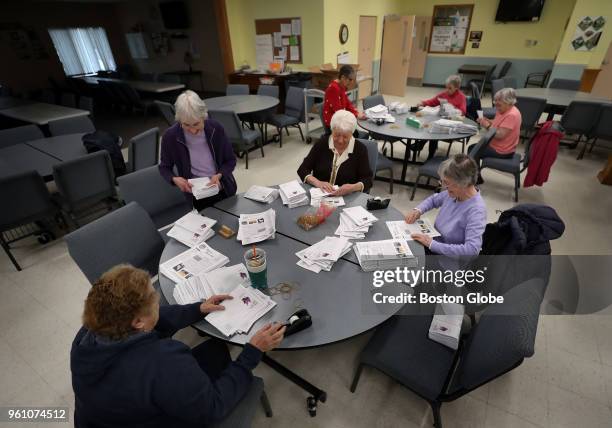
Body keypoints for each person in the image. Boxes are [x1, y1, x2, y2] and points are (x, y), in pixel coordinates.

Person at [71, 264, 285, 428]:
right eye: (153, 298)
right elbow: (212, 408)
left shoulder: (89, 333)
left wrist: (198, 309)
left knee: (214, 350)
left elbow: (156, 317)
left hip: (108, 418)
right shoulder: (163, 361)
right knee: (222, 365)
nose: (158, 299)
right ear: (138, 322)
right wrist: (252, 353)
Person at [159, 90, 237, 211]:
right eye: (186, 125)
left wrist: (219, 175)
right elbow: (164, 167)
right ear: (179, 120)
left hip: (223, 188)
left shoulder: (215, 129)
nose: (192, 130)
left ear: (203, 116)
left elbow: (230, 160)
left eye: (196, 124)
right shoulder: (170, 136)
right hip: (196, 194)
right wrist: (175, 179)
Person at [405, 154, 486, 256]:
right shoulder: (454, 193)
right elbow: (434, 200)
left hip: (446, 260)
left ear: (463, 183)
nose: (443, 186)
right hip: (433, 244)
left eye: (446, 183)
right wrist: (418, 210)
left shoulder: (477, 210)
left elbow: (471, 250)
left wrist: (432, 244)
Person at [298, 110, 372, 195]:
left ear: (352, 133)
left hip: (347, 199)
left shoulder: (360, 149)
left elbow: (368, 179)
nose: (340, 141)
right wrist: (317, 182)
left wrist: (353, 187)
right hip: (320, 196)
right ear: (332, 130)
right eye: (336, 135)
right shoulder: (321, 144)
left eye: (345, 137)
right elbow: (303, 169)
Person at [418, 75, 467, 159]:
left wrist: (452, 110)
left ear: (457, 88)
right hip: (443, 120)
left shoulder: (461, 97)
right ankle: (421, 145)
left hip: (452, 123)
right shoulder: (444, 94)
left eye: (450, 88)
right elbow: (433, 101)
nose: (447, 90)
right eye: (446, 87)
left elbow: (463, 112)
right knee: (429, 123)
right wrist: (422, 103)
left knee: (435, 130)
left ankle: (427, 153)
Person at [472, 87, 522, 163]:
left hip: (503, 151)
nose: (496, 107)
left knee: (472, 150)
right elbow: (498, 123)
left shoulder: (512, 115)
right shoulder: (503, 109)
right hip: (496, 145)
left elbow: (499, 135)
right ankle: (475, 172)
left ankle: (474, 173)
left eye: (499, 104)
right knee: (474, 148)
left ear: (509, 103)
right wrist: (487, 120)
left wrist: (487, 125)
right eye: (495, 103)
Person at [322, 64, 366, 136]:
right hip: (334, 124)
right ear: (343, 77)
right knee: (355, 135)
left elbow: (348, 104)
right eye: (350, 79)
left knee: (356, 133)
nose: (351, 82)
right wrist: (355, 115)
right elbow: (339, 112)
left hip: (340, 121)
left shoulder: (341, 86)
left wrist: (357, 113)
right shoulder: (333, 88)